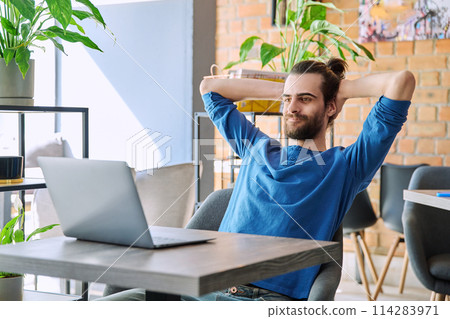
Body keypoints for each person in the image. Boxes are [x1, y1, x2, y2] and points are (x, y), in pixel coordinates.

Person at [98, 57, 415, 301]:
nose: (291, 107)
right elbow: (210, 88)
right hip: (202, 289)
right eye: (288, 99)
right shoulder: (257, 147)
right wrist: (291, 87)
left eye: (305, 99)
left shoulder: (346, 167)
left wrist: (340, 89)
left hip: (265, 301)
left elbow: (402, 81)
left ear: (330, 107)